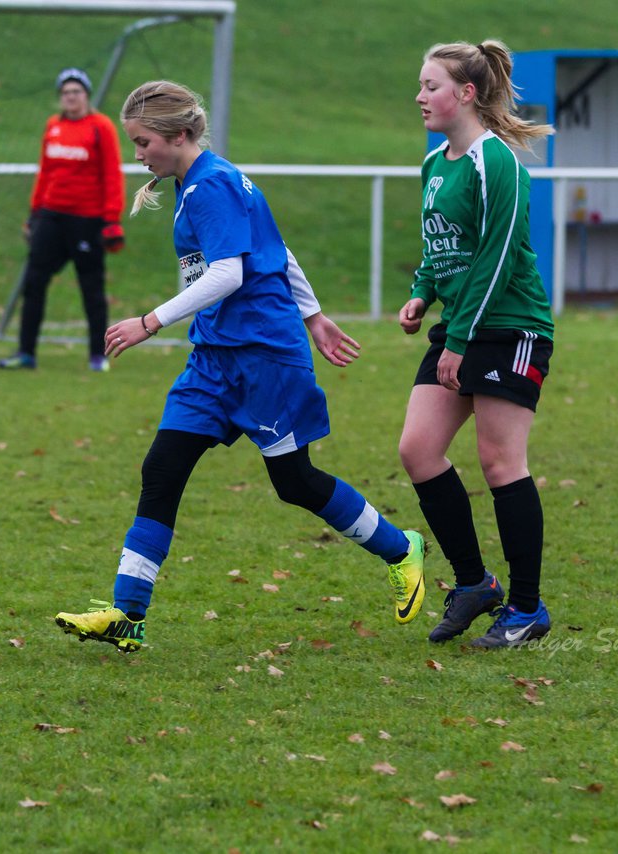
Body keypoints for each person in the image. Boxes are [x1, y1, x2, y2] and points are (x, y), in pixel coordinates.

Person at [54, 80, 427, 652]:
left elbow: (230, 273)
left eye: (143, 141)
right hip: (214, 361)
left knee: (295, 482)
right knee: (162, 469)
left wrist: (148, 322)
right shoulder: (203, 180)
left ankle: (402, 548)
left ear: (179, 136)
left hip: (263, 359)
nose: (138, 155)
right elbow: (278, 250)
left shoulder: (211, 186)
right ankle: (128, 613)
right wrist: (317, 315)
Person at [397, 41, 555, 648]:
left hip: (511, 328)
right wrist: (422, 292)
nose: (420, 97)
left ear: (466, 93)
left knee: (500, 463)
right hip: (461, 325)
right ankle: (473, 584)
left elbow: (495, 258)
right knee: (418, 450)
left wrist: (458, 340)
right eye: (420, 85)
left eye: (431, 86)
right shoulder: (435, 162)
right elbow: (442, 244)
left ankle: (526, 608)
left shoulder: (501, 163)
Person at [0, 67, 125, 372]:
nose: (71, 97)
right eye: (66, 92)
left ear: (86, 95)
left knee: (91, 288)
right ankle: (26, 352)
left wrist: (112, 220)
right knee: (34, 283)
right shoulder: (53, 126)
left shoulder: (100, 127)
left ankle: (98, 354)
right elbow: (45, 172)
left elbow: (112, 174)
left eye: (76, 92)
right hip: (51, 217)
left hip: (86, 219)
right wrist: (34, 213)